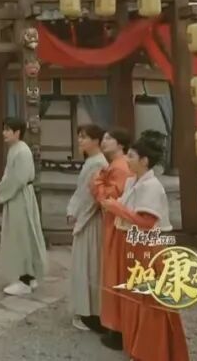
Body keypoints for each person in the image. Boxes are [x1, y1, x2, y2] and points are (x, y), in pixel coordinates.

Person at [98, 131, 188, 361]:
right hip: (131, 242)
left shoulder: (152, 186)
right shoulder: (133, 181)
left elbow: (147, 221)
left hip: (148, 245)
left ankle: (152, 351)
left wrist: (117, 208)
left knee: (148, 300)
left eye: (131, 156)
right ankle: (135, 347)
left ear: (144, 161)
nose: (127, 160)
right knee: (132, 297)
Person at [0, 117, 47, 296]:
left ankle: (25, 279)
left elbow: (18, 179)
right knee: (21, 235)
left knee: (22, 236)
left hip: (20, 196)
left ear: (17, 132)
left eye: (8, 130)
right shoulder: (15, 149)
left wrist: (0, 191)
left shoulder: (22, 151)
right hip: (17, 196)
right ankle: (29, 276)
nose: (4, 133)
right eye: (4, 129)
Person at [92, 127, 133, 350]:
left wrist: (98, 182)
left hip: (118, 224)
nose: (104, 141)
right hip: (114, 222)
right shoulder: (116, 165)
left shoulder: (120, 167)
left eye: (109, 138)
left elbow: (108, 197)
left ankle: (117, 328)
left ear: (121, 144)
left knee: (115, 273)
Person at [67, 124, 107, 333]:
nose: (80, 140)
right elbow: (82, 193)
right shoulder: (92, 161)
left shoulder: (98, 163)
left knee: (88, 264)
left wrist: (78, 218)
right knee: (88, 264)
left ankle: (88, 312)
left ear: (96, 140)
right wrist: (72, 211)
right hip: (87, 218)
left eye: (84, 137)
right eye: (79, 137)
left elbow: (91, 197)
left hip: (90, 220)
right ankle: (88, 311)